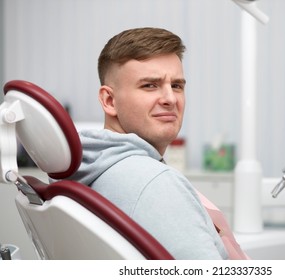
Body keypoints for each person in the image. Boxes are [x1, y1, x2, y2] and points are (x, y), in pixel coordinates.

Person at [63, 27, 247, 260]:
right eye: (150, 85)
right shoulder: (155, 184)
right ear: (110, 100)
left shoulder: (94, 165)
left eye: (177, 85)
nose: (171, 99)